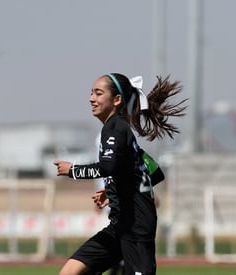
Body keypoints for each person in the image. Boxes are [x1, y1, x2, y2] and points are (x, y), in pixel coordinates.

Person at [54, 73, 186, 275]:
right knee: (70, 272)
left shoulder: (115, 129)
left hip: (136, 230)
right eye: (91, 93)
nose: (91, 98)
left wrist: (72, 170)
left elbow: (108, 167)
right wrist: (114, 190)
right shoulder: (120, 130)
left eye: (98, 93)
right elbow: (155, 172)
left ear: (116, 100)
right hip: (119, 226)